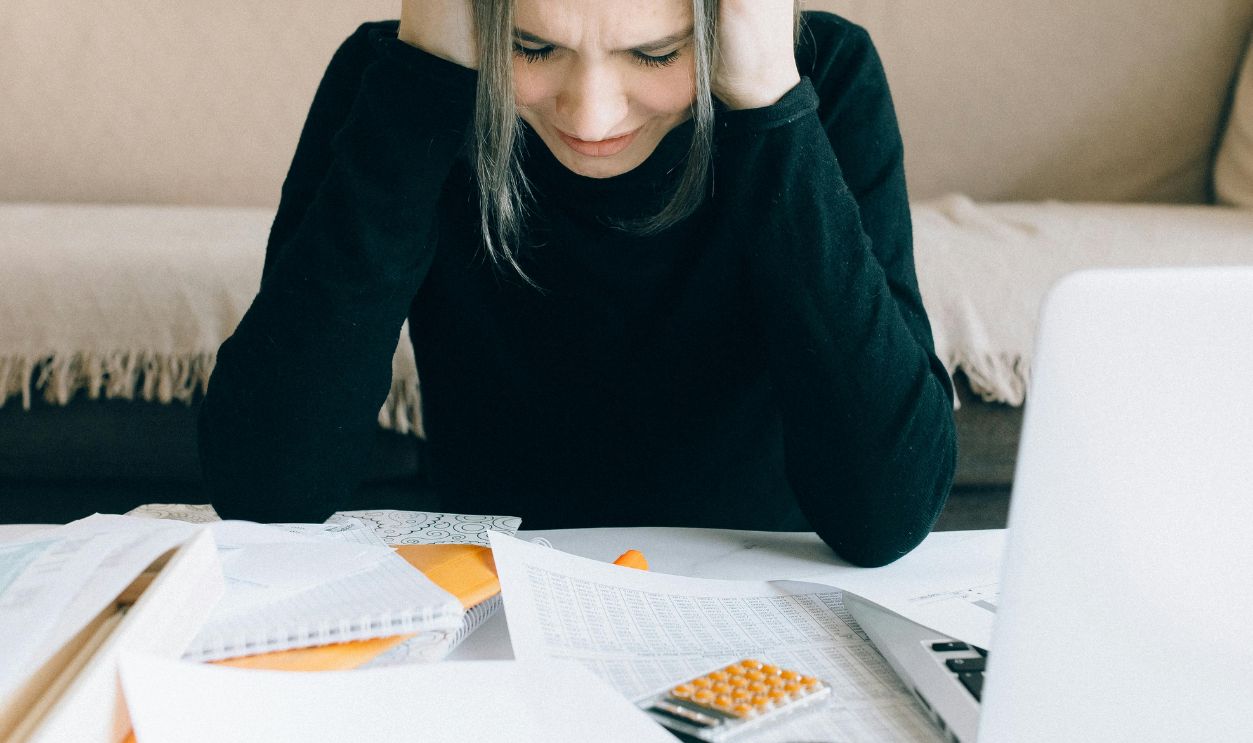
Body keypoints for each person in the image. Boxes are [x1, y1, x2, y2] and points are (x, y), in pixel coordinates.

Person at [198, 0, 956, 567]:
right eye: (531, 46)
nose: (591, 119)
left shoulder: (825, 74)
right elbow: (266, 494)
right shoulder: (397, 82)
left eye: (656, 54)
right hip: (491, 598)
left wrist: (768, 100)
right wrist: (426, 76)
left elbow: (885, 519)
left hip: (759, 599)